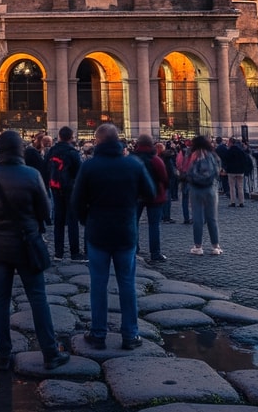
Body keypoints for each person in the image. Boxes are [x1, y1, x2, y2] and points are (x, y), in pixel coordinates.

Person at [0, 130, 70, 372]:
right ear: (20, 150)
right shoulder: (32, 175)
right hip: (27, 245)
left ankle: (3, 355)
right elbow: (46, 213)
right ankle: (50, 352)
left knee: (0, 300)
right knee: (38, 298)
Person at [70, 122, 155, 350]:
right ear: (118, 141)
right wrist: (130, 203)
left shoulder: (90, 167)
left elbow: (76, 202)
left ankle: (98, 333)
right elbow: (150, 193)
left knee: (98, 284)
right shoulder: (133, 164)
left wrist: (87, 220)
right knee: (127, 284)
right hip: (126, 232)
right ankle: (130, 334)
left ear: (97, 142)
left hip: (97, 232)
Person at [44, 126, 83, 260]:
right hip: (70, 188)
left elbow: (46, 168)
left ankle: (58, 253)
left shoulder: (52, 151)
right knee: (72, 221)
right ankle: (74, 252)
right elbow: (79, 172)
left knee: (58, 221)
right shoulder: (73, 152)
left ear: (59, 136)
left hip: (55, 187)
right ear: (71, 137)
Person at [130, 134, 169, 264]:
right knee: (154, 225)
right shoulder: (156, 160)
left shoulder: (132, 159)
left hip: (136, 196)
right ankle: (155, 253)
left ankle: (134, 250)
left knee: (133, 224)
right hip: (155, 195)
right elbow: (164, 178)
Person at [182, 134, 222, 256]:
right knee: (212, 218)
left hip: (195, 188)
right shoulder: (213, 155)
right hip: (210, 188)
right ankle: (215, 246)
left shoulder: (191, 155)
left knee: (197, 218)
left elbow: (185, 170)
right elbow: (218, 170)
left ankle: (198, 246)